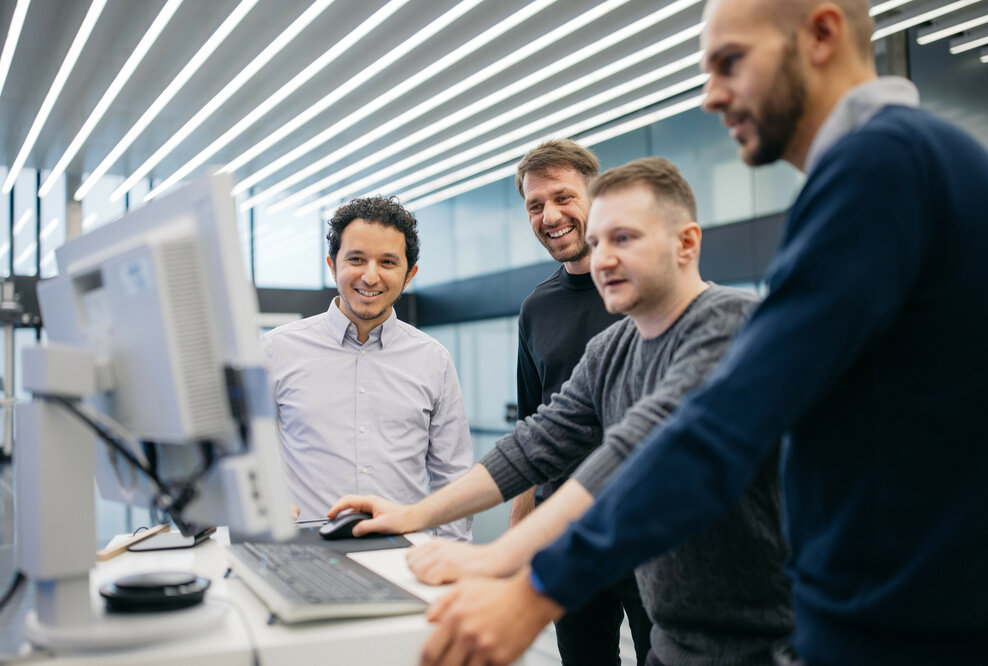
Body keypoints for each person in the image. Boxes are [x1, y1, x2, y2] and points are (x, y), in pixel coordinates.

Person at [418, 0, 988, 664]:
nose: (713, 97)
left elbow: (718, 425)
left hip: (897, 631)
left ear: (823, 34)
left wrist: (536, 588)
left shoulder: (882, 166)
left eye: (730, 62)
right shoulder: (910, 161)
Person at [331, 158, 793, 664]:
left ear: (686, 243)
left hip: (762, 640)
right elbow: (536, 442)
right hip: (677, 635)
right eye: (598, 243)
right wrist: (411, 514)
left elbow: (636, 453)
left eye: (626, 239)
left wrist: (502, 563)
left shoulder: (730, 325)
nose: (604, 259)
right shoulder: (612, 349)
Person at [260, 196, 471, 541]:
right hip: (305, 552)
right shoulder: (275, 351)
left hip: (407, 553)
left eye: (388, 262)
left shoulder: (434, 360)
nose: (370, 276)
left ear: (409, 274)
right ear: (332, 265)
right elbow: (241, 456)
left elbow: (453, 474)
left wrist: (453, 551)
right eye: (356, 259)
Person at [511, 139, 649, 666]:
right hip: (567, 535)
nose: (550, 215)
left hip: (648, 529)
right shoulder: (536, 308)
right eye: (535, 204)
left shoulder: (645, 287)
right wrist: (522, 526)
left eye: (564, 197)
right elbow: (532, 425)